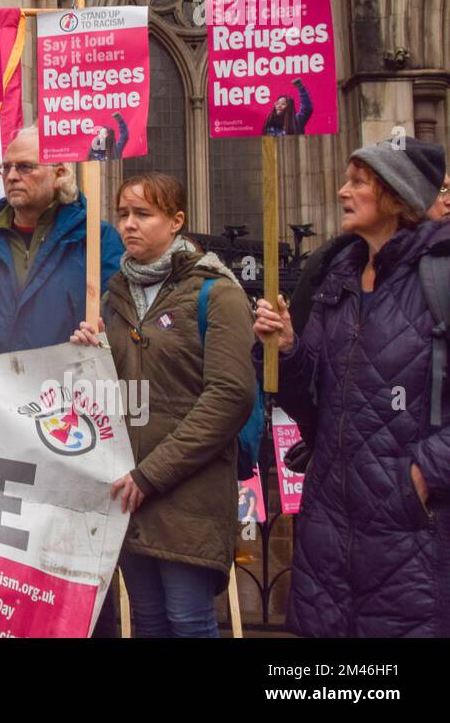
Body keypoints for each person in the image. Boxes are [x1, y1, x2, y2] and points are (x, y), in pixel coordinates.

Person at [253, 139, 450, 637]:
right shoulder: (337, 277)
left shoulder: (440, 278)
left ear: (394, 195)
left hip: (409, 533)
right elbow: (310, 398)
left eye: (358, 181)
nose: (343, 191)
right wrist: (289, 348)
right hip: (329, 527)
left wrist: (420, 477)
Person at [71, 172, 256, 638]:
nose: (128, 224)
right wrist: (87, 355)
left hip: (185, 489)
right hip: (129, 489)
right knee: (149, 622)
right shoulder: (115, 297)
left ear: (176, 221)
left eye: (143, 214)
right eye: (123, 214)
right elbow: (114, 391)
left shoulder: (218, 292)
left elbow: (230, 396)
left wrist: (151, 474)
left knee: (189, 622)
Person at [0, 126, 124, 355]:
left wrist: (104, 334)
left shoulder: (97, 238)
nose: (11, 176)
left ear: (60, 174)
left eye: (25, 167)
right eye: (6, 167)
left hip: (63, 384)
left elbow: (124, 320)